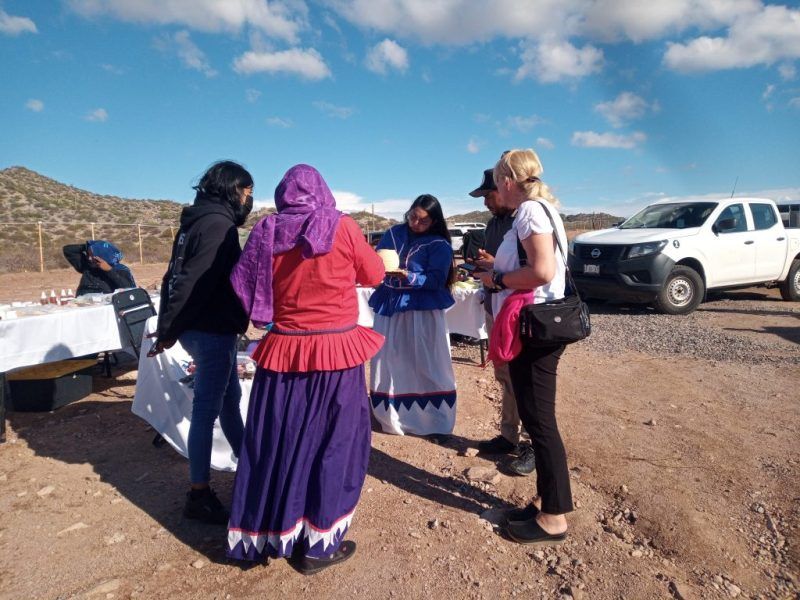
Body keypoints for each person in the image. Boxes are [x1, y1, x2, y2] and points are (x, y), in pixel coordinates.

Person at [227, 164, 385, 574]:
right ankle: (317, 545)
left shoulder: (266, 230)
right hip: (335, 354)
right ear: (323, 192)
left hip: (284, 352)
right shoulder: (342, 226)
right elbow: (374, 273)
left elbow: (242, 282)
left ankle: (270, 531)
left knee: (279, 442)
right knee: (335, 443)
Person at [476, 149, 572, 545]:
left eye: (497, 184)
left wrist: (497, 280)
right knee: (537, 419)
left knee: (540, 422)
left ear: (507, 182)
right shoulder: (541, 209)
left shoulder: (530, 211)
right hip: (537, 323)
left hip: (533, 327)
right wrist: (496, 271)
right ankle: (547, 501)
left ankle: (554, 518)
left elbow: (542, 271)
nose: (495, 191)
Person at [150, 160, 254, 524]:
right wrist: (167, 330)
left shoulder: (195, 221)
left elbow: (172, 277)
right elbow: (193, 281)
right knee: (207, 410)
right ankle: (199, 493)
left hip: (200, 328)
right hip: (212, 330)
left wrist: (169, 326)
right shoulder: (217, 226)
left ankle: (250, 468)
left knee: (229, 400)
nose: (248, 199)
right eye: (246, 191)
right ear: (231, 189)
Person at [369, 194, 457, 438]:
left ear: (434, 221)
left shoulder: (439, 243)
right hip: (391, 307)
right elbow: (378, 261)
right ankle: (390, 415)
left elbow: (437, 280)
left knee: (426, 361)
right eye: (412, 217)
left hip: (422, 312)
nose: (415, 224)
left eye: (423, 221)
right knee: (390, 359)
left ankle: (433, 420)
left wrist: (410, 277)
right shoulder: (393, 234)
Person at [468, 169, 535, 476]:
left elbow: (537, 268)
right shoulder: (494, 223)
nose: (486, 203)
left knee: (527, 379)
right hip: (496, 306)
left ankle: (532, 444)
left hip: (520, 311)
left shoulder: (526, 218)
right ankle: (509, 436)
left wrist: (496, 267)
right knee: (505, 376)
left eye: (489, 195)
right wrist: (485, 265)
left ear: (505, 188)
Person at [62, 240, 135, 295]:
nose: (89, 258)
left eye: (92, 255)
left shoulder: (121, 270)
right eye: (88, 254)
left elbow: (130, 290)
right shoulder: (88, 265)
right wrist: (89, 246)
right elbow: (68, 250)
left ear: (103, 256)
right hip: (82, 306)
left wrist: (109, 270)